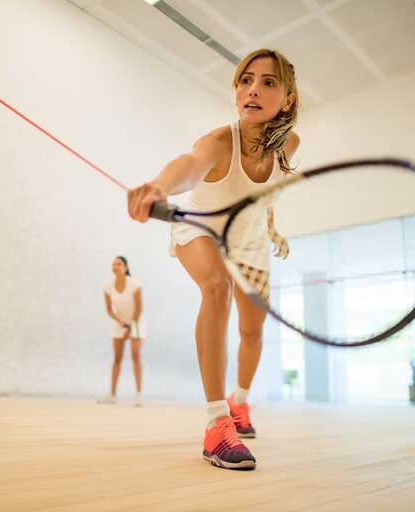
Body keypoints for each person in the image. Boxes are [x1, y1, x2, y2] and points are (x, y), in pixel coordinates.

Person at [128, 49, 300, 470]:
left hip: (251, 239)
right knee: (216, 287)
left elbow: (264, 194)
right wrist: (158, 186)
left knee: (253, 332)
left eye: (268, 82)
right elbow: (191, 163)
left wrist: (272, 225)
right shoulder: (221, 141)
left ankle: (239, 404)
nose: (253, 90)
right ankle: (216, 424)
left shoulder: (289, 144)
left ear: (288, 99)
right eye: (246, 80)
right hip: (200, 225)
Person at [100, 256, 144, 406]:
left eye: (119, 264)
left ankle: (138, 395)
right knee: (117, 359)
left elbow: (139, 309)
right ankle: (112, 394)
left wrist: (130, 327)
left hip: (136, 322)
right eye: (113, 264)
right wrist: (121, 323)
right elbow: (109, 310)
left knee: (135, 356)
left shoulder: (135, 284)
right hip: (120, 322)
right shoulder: (108, 286)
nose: (115, 266)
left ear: (125, 267)